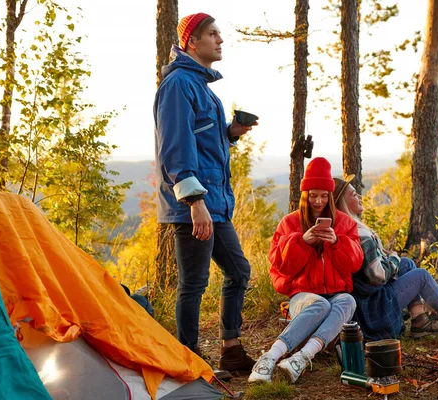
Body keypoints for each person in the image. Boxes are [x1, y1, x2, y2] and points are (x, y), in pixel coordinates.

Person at [153, 13, 257, 373]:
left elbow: (204, 143)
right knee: (194, 282)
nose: (220, 40)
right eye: (213, 34)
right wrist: (194, 202)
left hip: (213, 204)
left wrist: (231, 133)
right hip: (193, 206)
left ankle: (231, 349)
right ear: (192, 43)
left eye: (219, 34)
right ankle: (189, 361)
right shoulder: (178, 85)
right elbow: (176, 149)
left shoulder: (203, 89)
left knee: (239, 271)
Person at [248, 157, 364, 384]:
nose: (318, 201)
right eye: (313, 195)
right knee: (320, 304)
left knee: (347, 301)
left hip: (335, 293)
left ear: (330, 196)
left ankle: (301, 358)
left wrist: (337, 242)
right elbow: (282, 267)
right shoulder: (289, 223)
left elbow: (354, 264)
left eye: (323, 195)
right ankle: (269, 357)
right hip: (302, 297)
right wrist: (302, 241)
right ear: (305, 195)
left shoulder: (345, 224)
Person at [332, 175, 438, 340]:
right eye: (354, 195)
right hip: (373, 311)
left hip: (365, 300)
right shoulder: (359, 234)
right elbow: (378, 276)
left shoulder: (341, 227)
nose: (360, 197)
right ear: (342, 203)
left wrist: (395, 261)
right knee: (421, 276)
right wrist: (393, 259)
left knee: (407, 264)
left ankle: (420, 321)